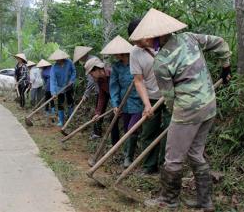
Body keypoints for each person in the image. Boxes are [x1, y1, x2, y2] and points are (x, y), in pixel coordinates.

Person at [129, 8, 232, 210]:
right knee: (195, 153)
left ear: (156, 35)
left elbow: (169, 98)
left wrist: (178, 119)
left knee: (173, 158)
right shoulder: (189, 38)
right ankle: (205, 202)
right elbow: (219, 42)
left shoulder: (161, 61)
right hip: (209, 105)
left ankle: (168, 200)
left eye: (147, 38)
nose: (145, 42)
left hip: (187, 111)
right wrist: (225, 65)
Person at [128, 18, 171, 175]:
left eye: (139, 39)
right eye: (135, 40)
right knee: (148, 132)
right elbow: (138, 81)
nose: (138, 43)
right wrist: (147, 104)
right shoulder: (135, 52)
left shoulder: (166, 44)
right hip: (151, 97)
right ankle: (149, 167)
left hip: (170, 97)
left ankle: (166, 167)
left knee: (169, 132)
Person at [101, 35, 143, 167]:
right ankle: (127, 154)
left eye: (116, 54)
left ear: (121, 53)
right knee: (126, 129)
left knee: (132, 129)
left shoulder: (137, 62)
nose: (115, 56)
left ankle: (128, 157)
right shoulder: (117, 67)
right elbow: (114, 87)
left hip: (139, 102)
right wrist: (115, 104)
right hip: (124, 104)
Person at [73, 46, 102, 140]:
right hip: (100, 89)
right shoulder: (91, 59)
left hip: (101, 90)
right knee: (99, 111)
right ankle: (97, 132)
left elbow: (91, 81)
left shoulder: (91, 61)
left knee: (98, 111)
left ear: (83, 56)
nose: (80, 60)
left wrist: (86, 94)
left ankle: (97, 133)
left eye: (80, 58)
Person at [49, 49, 76, 127]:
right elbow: (53, 80)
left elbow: (74, 71)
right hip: (59, 88)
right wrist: (53, 92)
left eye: (59, 59)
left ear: (62, 58)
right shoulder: (54, 68)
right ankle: (61, 121)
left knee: (70, 102)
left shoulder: (69, 62)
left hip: (69, 86)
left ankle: (71, 118)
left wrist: (72, 80)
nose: (58, 60)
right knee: (60, 103)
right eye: (56, 59)